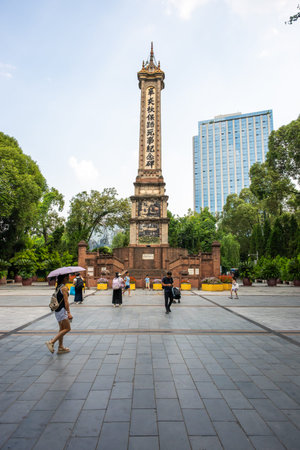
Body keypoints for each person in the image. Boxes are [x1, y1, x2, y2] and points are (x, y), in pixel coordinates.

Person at [46, 274, 73, 354]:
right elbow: (66, 302)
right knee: (68, 328)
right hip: (62, 310)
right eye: (67, 277)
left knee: (61, 329)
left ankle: (60, 347)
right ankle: (51, 342)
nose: (68, 279)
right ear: (64, 278)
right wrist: (68, 313)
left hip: (57, 311)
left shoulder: (58, 287)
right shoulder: (64, 288)